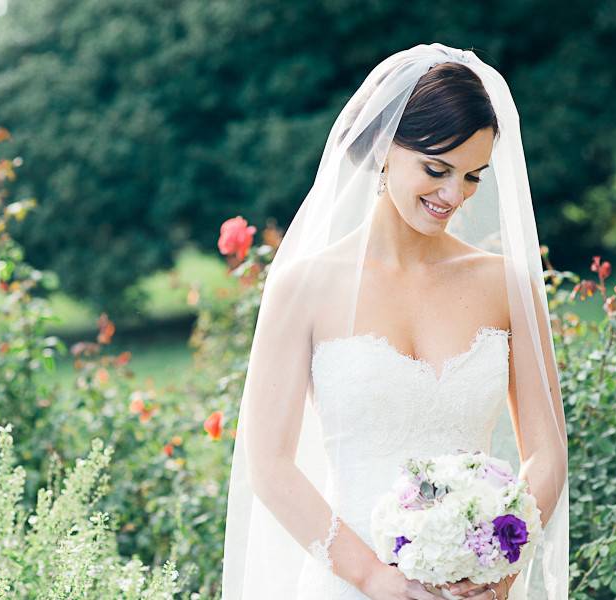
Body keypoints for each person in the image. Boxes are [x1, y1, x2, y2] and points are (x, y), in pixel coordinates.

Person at [220, 44, 569, 600]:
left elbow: (546, 453)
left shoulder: (504, 283)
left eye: (473, 175)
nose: (454, 195)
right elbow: (269, 465)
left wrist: (499, 574)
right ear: (384, 149)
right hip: (348, 582)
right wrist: (374, 578)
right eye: (436, 169)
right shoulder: (303, 288)